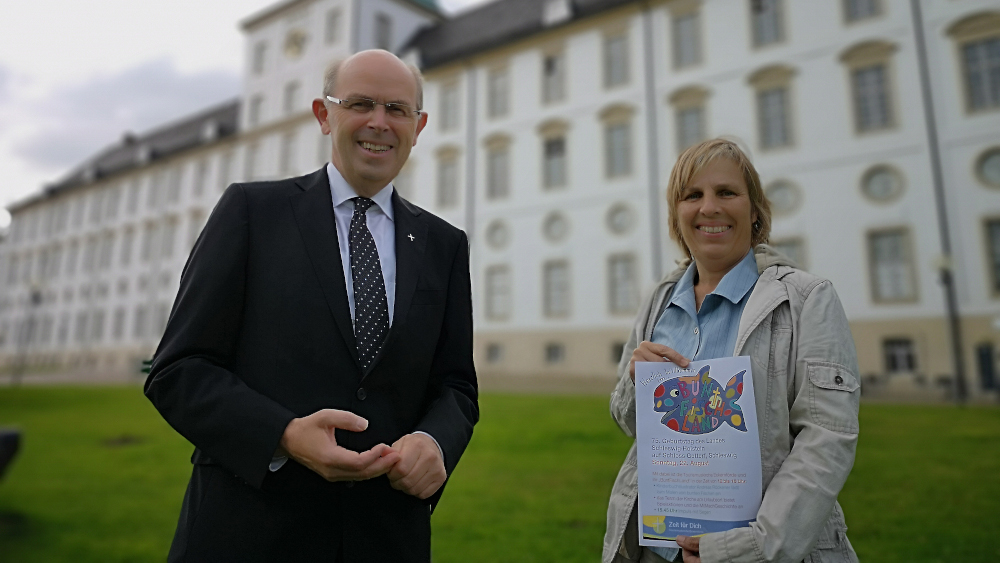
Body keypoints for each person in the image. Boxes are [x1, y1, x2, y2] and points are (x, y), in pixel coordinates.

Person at [145, 50, 478, 563]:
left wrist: (435, 442)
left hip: (385, 537)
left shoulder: (444, 244)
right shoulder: (252, 213)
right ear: (325, 115)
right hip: (250, 534)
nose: (379, 122)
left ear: (419, 126)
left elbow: (456, 386)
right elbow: (178, 369)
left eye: (397, 109)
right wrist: (283, 434)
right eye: (360, 104)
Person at [603, 138, 860, 563]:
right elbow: (628, 422)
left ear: (755, 210)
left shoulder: (805, 298)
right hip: (658, 548)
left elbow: (826, 440)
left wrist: (750, 548)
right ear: (677, 214)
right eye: (692, 195)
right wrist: (635, 382)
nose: (709, 207)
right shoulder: (659, 299)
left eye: (726, 192)